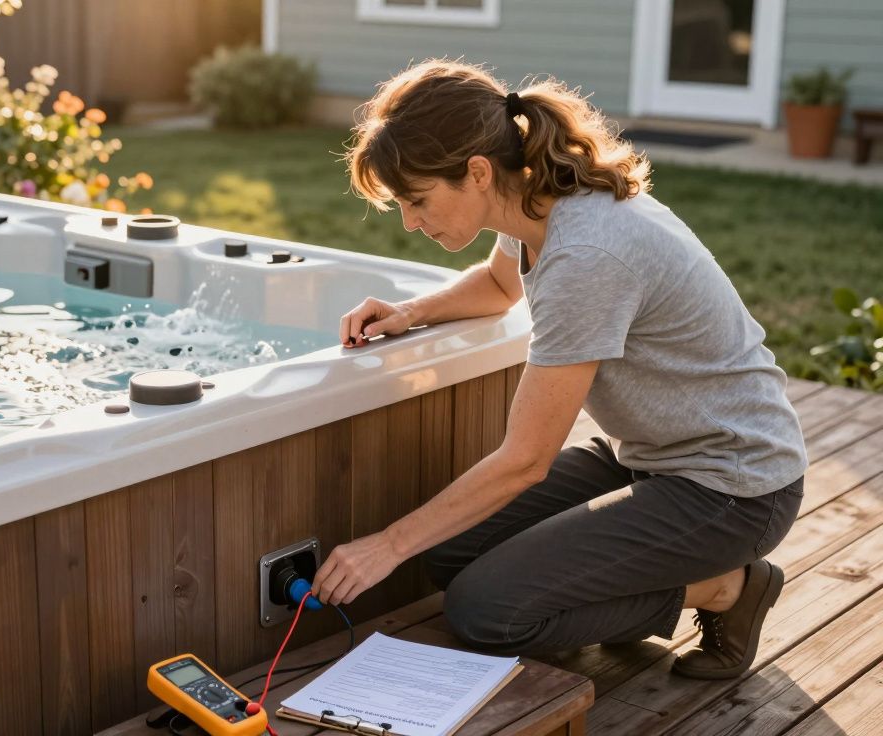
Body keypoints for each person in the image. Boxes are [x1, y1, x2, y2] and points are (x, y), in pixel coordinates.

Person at [310, 59, 807, 680]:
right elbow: (500, 286)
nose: (411, 221)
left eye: (417, 200)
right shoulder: (536, 200)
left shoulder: (586, 254)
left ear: (477, 172)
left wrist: (386, 545)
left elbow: (525, 460)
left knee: (485, 611)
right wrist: (410, 312)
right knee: (450, 553)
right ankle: (603, 591)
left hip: (732, 487)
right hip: (650, 457)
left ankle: (727, 588)